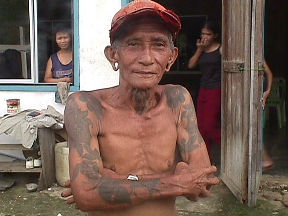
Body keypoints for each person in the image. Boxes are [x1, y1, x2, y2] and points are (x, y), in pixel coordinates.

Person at [62, 1, 219, 215]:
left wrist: (113, 182)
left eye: (159, 45)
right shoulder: (85, 106)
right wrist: (177, 180)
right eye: (133, 44)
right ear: (113, 55)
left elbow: (201, 184)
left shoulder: (177, 99)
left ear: (171, 57)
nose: (146, 58)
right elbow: (87, 194)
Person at [187, 21, 221, 157]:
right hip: (204, 89)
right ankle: (205, 159)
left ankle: (231, 148)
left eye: (208, 34)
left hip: (216, 89)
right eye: (203, 33)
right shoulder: (202, 49)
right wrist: (199, 49)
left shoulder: (221, 49)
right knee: (201, 126)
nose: (204, 36)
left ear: (215, 36)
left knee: (209, 125)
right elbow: (191, 65)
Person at [262, 61, 274, 171]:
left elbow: (269, 73)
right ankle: (265, 160)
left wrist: (267, 91)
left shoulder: (257, 56)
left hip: (259, 98)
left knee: (256, 129)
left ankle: (266, 160)